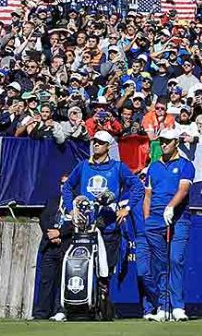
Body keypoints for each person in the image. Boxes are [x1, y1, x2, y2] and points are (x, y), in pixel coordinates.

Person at [61, 130, 144, 301]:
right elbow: (68, 186)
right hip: (85, 227)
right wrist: (71, 209)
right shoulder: (83, 166)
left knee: (105, 271)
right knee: (81, 267)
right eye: (94, 141)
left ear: (108, 146)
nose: (96, 144)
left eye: (100, 142)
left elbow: (138, 187)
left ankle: (102, 303)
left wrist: (126, 208)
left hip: (109, 227)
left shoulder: (118, 167)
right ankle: (79, 303)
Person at [141, 129, 194, 322]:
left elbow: (183, 189)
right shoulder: (153, 167)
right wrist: (147, 219)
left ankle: (177, 307)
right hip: (155, 219)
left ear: (176, 143)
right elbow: (147, 195)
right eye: (161, 141)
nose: (163, 144)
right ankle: (162, 307)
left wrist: (171, 207)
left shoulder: (185, 165)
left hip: (178, 217)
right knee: (159, 264)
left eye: (167, 141)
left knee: (175, 260)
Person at [33, 176, 73, 322]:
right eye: (62, 183)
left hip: (66, 246)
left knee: (63, 281)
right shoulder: (52, 200)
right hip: (50, 246)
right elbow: (43, 219)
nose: (64, 186)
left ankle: (60, 311)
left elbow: (77, 223)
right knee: (46, 280)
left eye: (67, 183)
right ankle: (41, 313)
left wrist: (60, 234)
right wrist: (51, 234)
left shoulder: (75, 203)